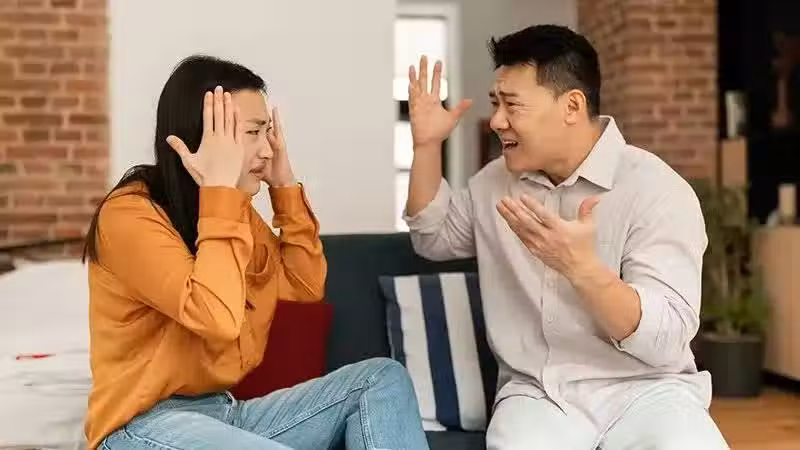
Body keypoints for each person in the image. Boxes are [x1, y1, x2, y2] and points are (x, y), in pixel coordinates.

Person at [404, 25, 729, 449]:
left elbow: (666, 341)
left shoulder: (657, 191)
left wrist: (582, 270)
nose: (497, 121)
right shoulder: (493, 184)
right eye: (496, 103)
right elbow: (432, 239)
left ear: (572, 106)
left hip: (648, 390)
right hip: (537, 394)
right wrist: (426, 146)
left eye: (512, 105)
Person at [83, 55, 429, 450]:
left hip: (224, 413)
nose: (267, 150)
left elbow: (304, 288)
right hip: (141, 427)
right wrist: (220, 191)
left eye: (268, 132)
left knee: (381, 380)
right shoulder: (129, 216)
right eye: (252, 133)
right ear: (202, 136)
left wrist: (285, 187)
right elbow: (217, 319)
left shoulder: (235, 214)